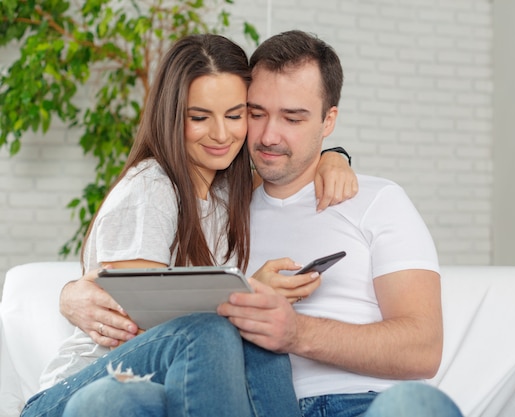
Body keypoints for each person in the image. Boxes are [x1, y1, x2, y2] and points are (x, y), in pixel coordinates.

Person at [21, 33, 355, 417]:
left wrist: (334, 156)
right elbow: (144, 330)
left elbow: (291, 166)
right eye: (200, 117)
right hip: (82, 389)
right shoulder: (149, 191)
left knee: (265, 333)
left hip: (160, 387)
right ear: (172, 114)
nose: (220, 134)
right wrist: (250, 292)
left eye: (235, 115)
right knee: (226, 326)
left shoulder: (229, 185)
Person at [215, 30, 463, 416]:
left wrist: (297, 334)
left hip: (367, 403)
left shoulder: (378, 200)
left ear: (328, 120)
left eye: (292, 118)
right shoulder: (220, 211)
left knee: (415, 406)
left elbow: (424, 348)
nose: (267, 136)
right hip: (264, 405)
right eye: (256, 113)